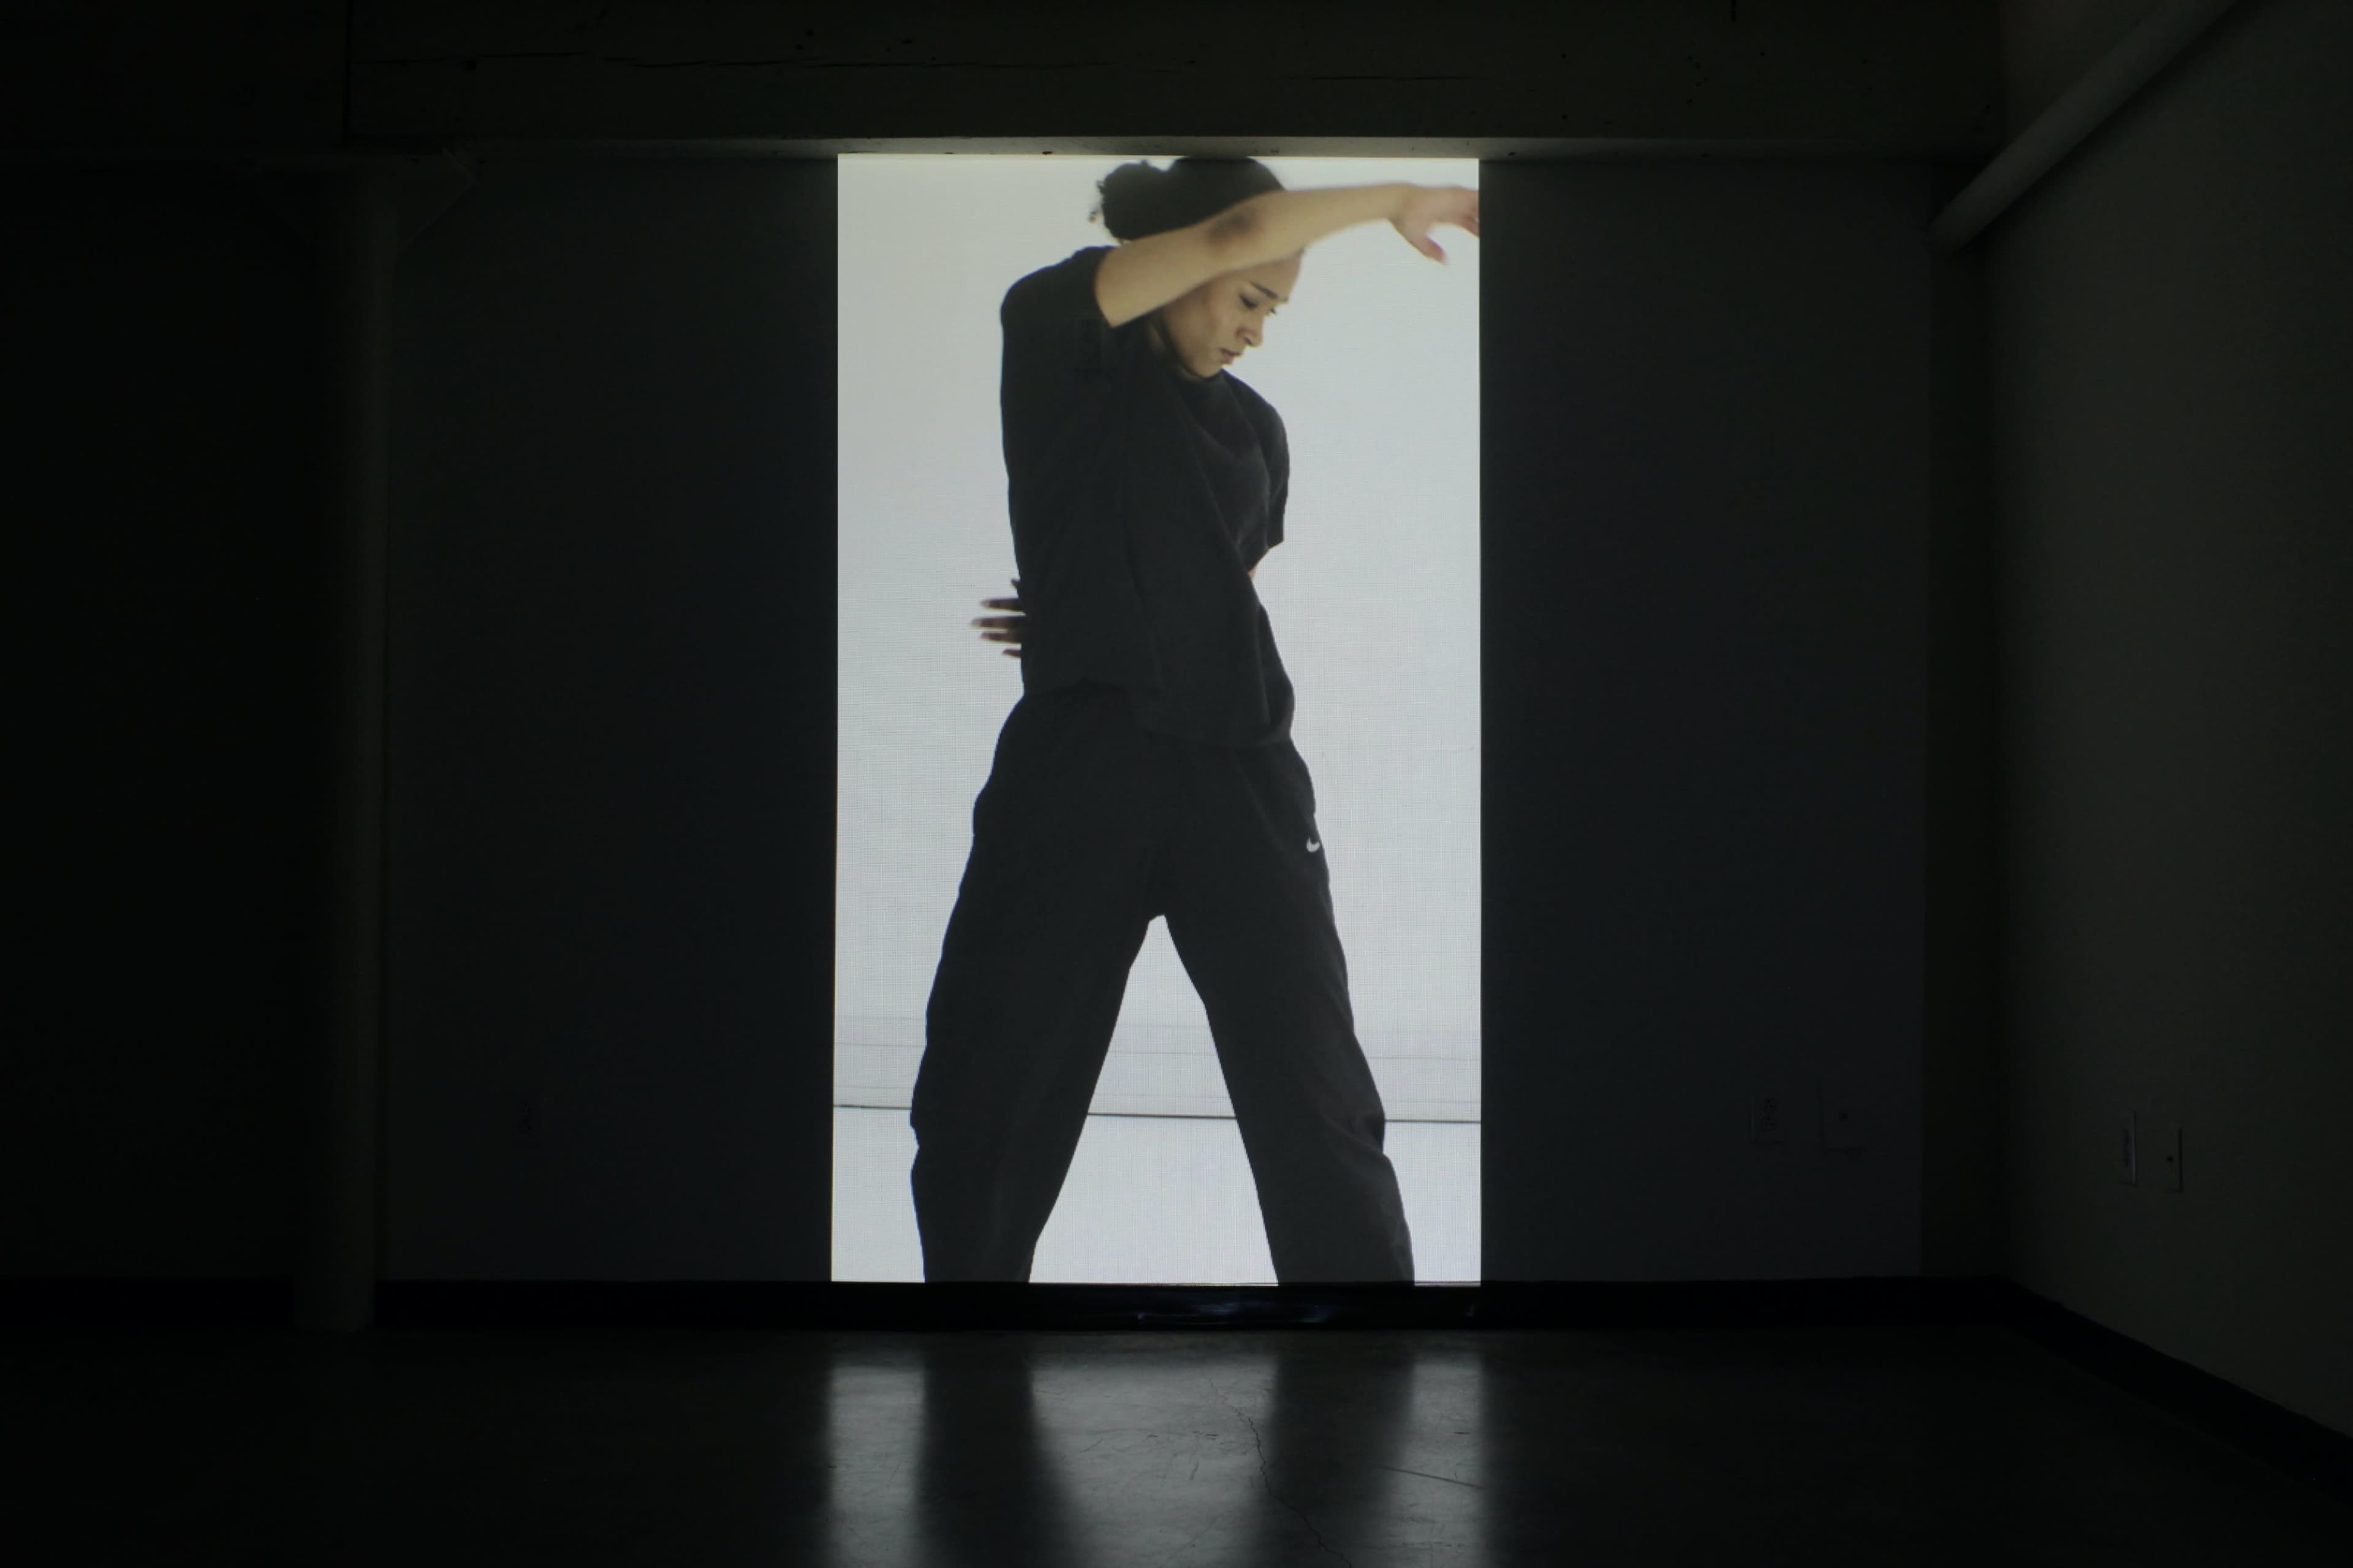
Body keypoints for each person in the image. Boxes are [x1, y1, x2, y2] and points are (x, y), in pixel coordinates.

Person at [909, 157, 1479, 1282]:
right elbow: (1236, 234)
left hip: (1243, 775)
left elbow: (1205, 577)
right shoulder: (1060, 335)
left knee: (1311, 1084)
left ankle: (1364, 1339)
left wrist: (1091, 599)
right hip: (1079, 767)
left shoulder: (1256, 431)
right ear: (1176, 261)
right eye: (1252, 300)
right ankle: (961, 1333)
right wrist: (1390, 202)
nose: (1259, 331)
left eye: (1276, 309)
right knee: (996, 1079)